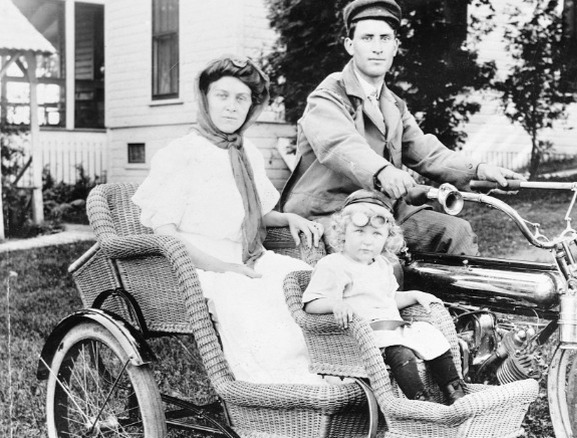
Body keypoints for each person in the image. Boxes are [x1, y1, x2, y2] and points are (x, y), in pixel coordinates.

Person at [132, 55, 329, 385]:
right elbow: (166, 233)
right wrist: (225, 268)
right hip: (195, 266)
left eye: (241, 98)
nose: (231, 107)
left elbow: (254, 212)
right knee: (248, 295)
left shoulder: (246, 151)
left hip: (246, 256)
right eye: (221, 96)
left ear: (252, 106)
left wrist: (287, 217)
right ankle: (274, 392)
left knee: (303, 278)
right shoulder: (181, 153)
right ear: (205, 98)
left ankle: (325, 374)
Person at [279, 0, 524, 256]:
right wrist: (383, 171)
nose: (377, 48)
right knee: (380, 260)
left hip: (380, 210)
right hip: (330, 211)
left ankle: (452, 286)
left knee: (456, 231)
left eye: (385, 38)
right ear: (350, 45)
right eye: (367, 38)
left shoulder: (393, 104)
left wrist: (479, 170)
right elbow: (339, 144)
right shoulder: (329, 95)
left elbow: (426, 152)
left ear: (395, 46)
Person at [302, 189, 466, 404]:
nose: (367, 241)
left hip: (391, 328)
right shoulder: (333, 265)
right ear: (343, 233)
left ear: (387, 238)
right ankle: (420, 401)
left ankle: (454, 390)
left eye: (376, 234)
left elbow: (388, 299)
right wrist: (335, 304)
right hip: (361, 335)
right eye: (359, 232)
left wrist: (415, 295)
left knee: (431, 335)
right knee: (400, 352)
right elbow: (310, 303)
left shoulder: (381, 265)